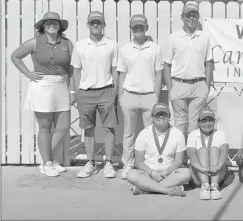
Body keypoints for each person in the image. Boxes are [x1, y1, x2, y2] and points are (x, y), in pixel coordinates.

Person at [10, 12, 74, 177]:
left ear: (60, 26)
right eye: (48, 23)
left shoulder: (67, 43)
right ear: (43, 26)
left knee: (63, 126)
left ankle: (48, 160)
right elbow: (15, 56)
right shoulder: (34, 42)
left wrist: (71, 89)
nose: (52, 25)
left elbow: (70, 68)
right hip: (42, 85)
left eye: (55, 22)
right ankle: (47, 162)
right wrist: (29, 74)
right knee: (45, 127)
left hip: (61, 84)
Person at [70, 11, 119, 178]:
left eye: (99, 22)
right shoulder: (80, 45)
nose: (96, 25)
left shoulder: (112, 45)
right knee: (88, 129)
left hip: (106, 90)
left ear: (104, 24)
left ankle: (109, 163)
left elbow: (115, 70)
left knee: (109, 129)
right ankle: (90, 162)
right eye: (93, 23)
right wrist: (76, 92)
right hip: (85, 92)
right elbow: (76, 70)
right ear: (88, 25)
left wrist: (115, 91)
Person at [117, 14, 164, 179]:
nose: (138, 29)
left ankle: (148, 165)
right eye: (135, 26)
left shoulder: (155, 48)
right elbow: (121, 73)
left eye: (141, 26)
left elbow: (159, 74)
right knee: (128, 134)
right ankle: (128, 164)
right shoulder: (124, 49)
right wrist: (121, 96)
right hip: (129, 95)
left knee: (150, 134)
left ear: (146, 28)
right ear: (130, 29)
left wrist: (156, 95)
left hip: (149, 96)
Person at [163, 3, 214, 140]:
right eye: (188, 15)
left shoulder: (204, 37)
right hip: (178, 83)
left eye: (194, 15)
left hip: (199, 85)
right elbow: (166, 65)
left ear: (198, 17)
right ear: (182, 17)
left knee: (194, 125)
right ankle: (180, 158)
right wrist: (170, 89)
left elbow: (209, 63)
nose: (192, 18)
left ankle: (192, 158)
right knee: (179, 124)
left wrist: (206, 87)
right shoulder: (173, 37)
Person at [125, 103, 189, 197]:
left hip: (169, 174)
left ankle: (145, 188)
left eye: (164, 114)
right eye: (158, 114)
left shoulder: (178, 134)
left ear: (169, 116)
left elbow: (178, 161)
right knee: (131, 174)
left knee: (186, 173)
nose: (161, 117)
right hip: (148, 174)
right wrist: (152, 173)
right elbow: (139, 162)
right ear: (152, 117)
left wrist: (166, 172)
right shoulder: (143, 134)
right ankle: (167, 191)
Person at [186, 106, 230, 200]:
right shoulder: (193, 134)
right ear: (198, 123)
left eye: (210, 120)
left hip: (218, 174)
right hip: (199, 174)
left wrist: (218, 166)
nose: (207, 123)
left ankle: (214, 186)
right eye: (204, 121)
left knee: (214, 149)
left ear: (214, 122)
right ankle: (205, 186)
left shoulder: (220, 133)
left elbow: (224, 152)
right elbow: (192, 155)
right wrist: (202, 168)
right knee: (202, 150)